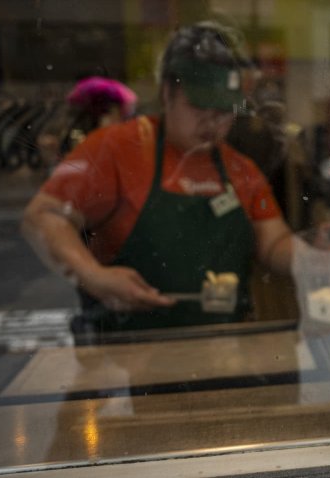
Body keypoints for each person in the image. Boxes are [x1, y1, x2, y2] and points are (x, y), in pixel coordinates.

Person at [22, 22, 295, 339]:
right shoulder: (117, 149)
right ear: (167, 92)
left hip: (224, 349)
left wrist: (317, 259)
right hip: (127, 356)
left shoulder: (240, 169)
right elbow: (43, 216)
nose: (212, 121)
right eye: (199, 105)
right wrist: (93, 275)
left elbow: (274, 243)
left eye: (223, 110)